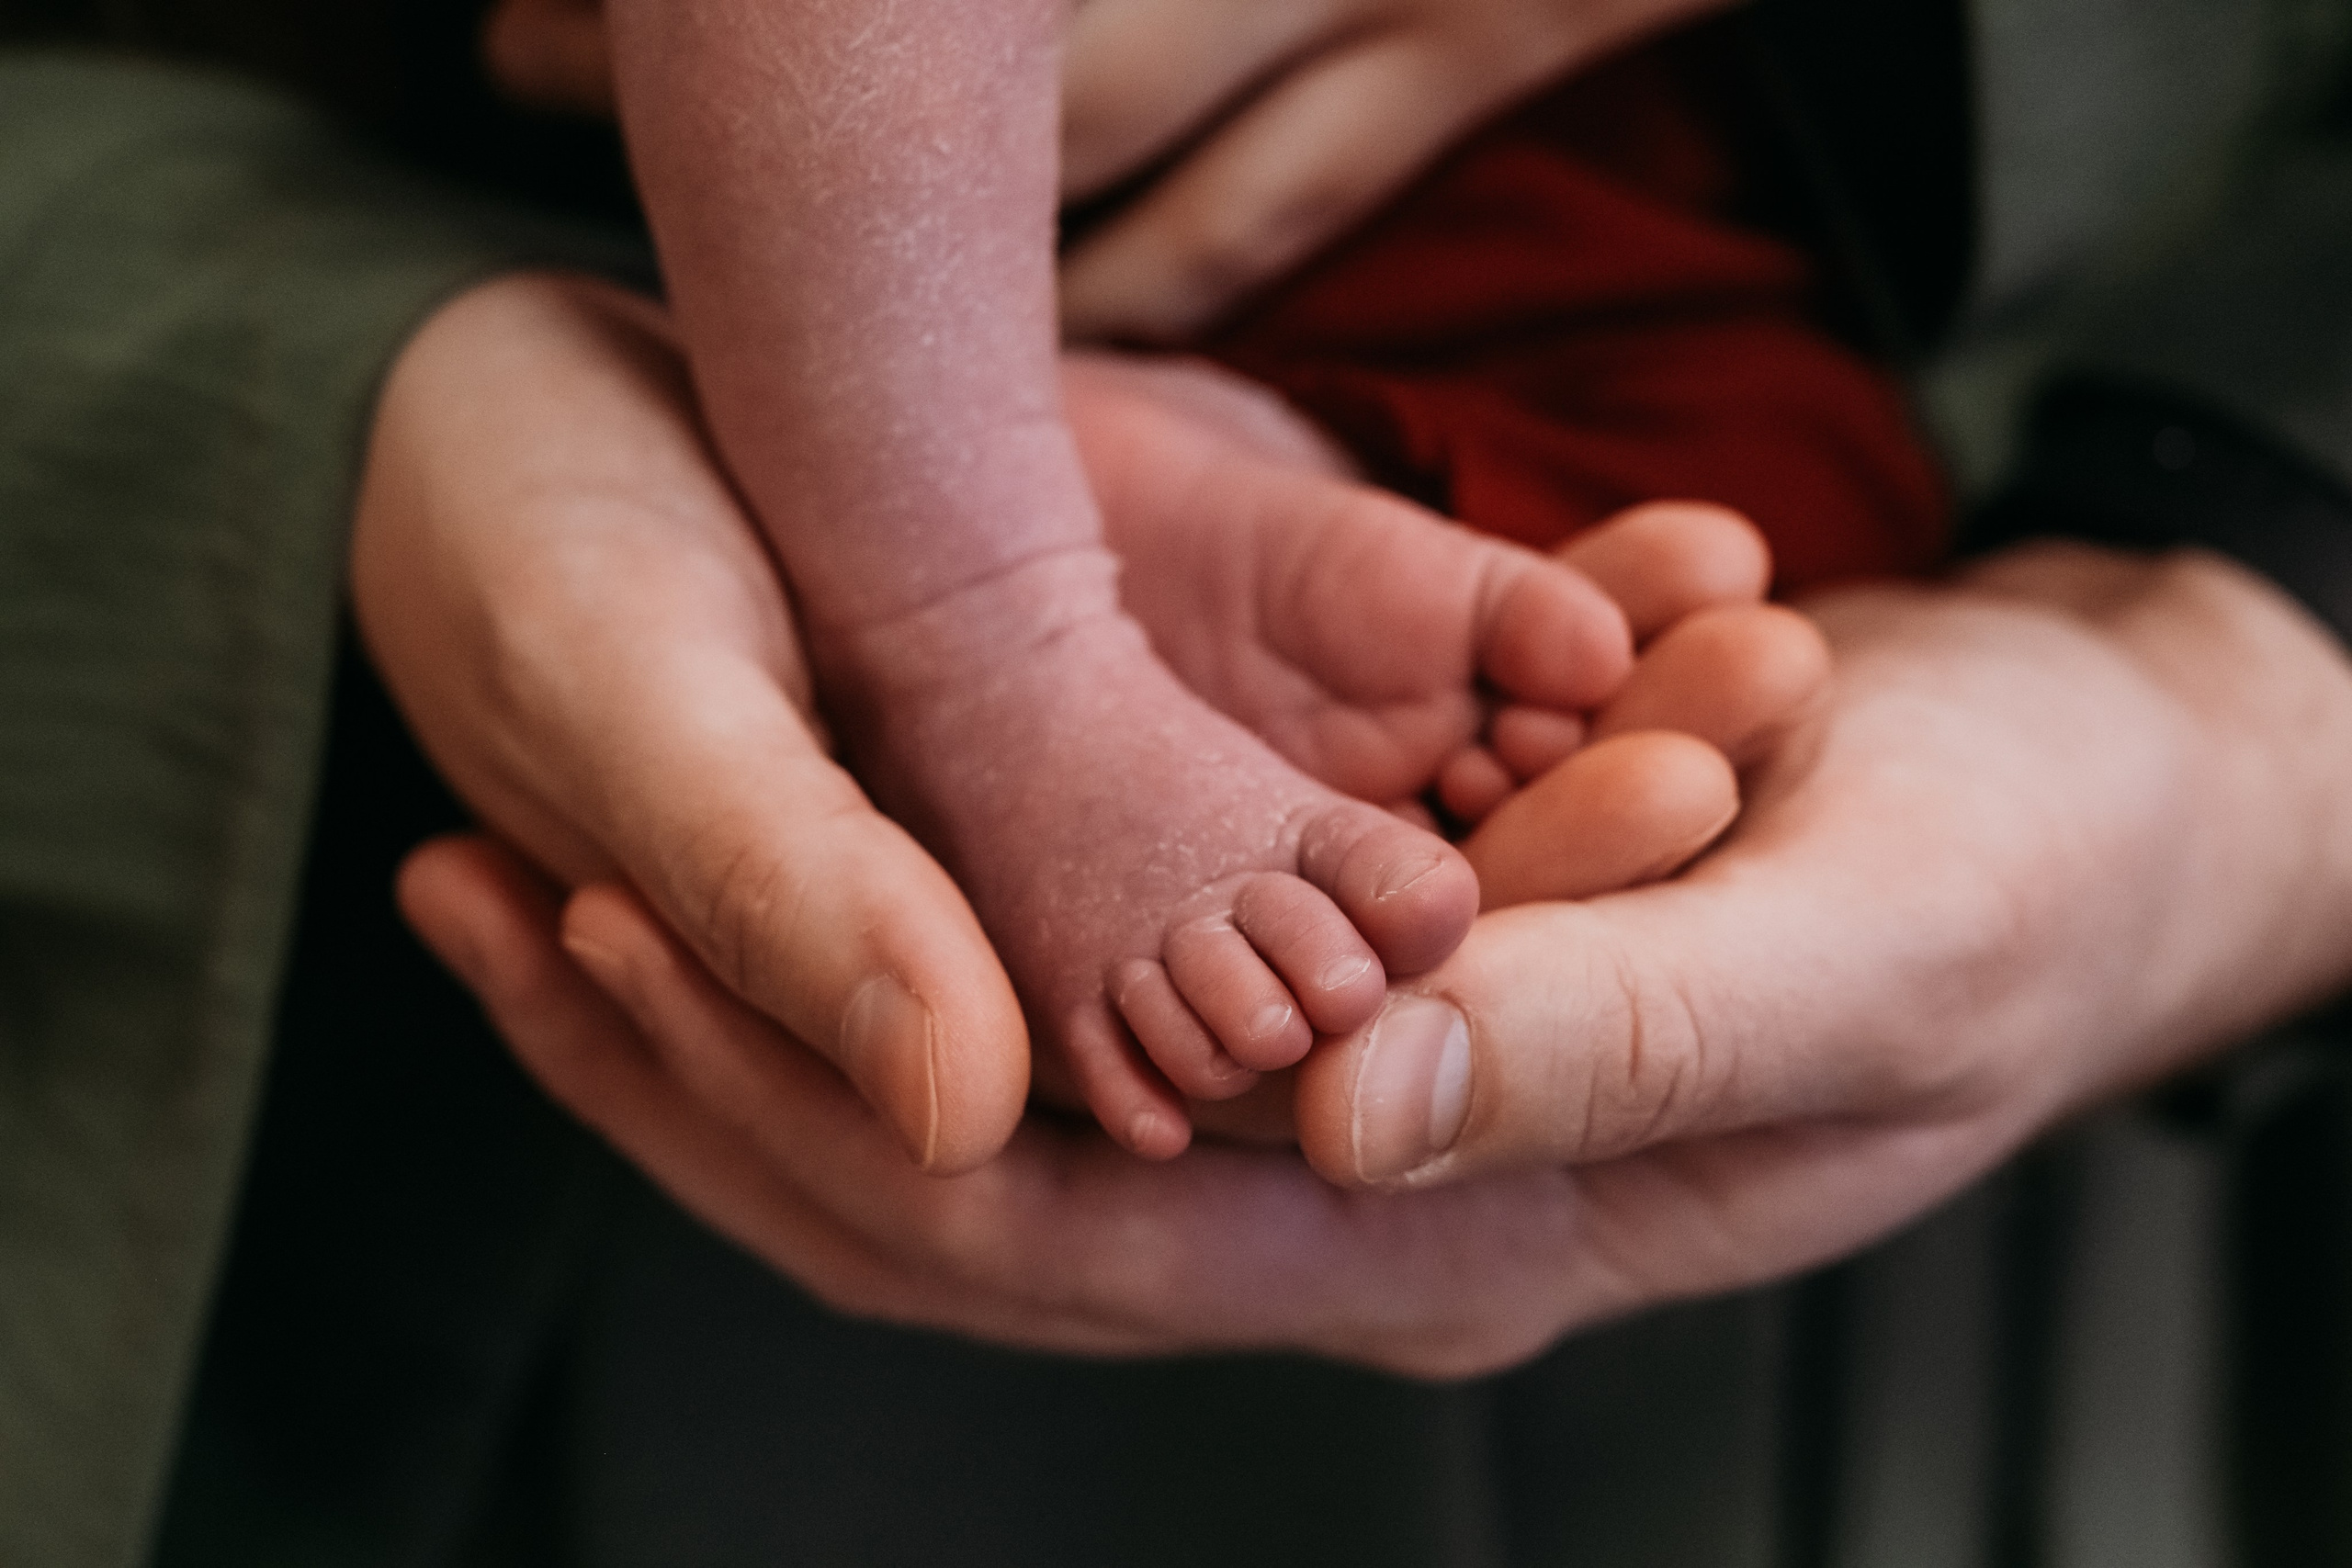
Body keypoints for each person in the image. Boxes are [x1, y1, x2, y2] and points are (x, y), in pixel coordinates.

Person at [8, 4, 2352, 1568]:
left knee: (1629, 600)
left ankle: (1220, 545)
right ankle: (995, 626)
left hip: (1817, 355)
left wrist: (2245, 649)